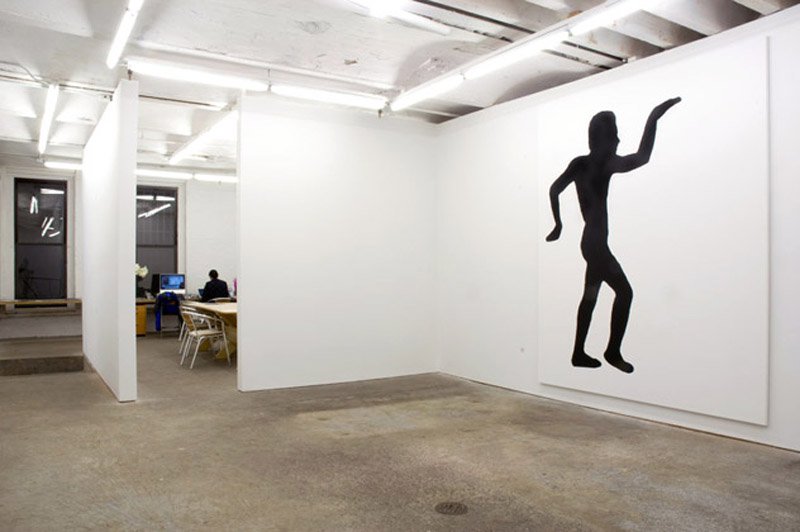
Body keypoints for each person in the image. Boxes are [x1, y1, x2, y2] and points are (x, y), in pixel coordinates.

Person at [545, 97, 681, 374]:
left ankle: (578, 353)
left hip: (591, 242)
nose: (619, 141)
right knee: (625, 292)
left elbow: (554, 189)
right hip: (595, 245)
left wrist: (558, 224)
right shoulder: (604, 164)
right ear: (604, 139)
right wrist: (653, 118)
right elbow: (642, 157)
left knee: (590, 297)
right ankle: (612, 351)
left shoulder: (581, 164)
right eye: (615, 135)